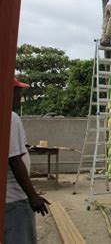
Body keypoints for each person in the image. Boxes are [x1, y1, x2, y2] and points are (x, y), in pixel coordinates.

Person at [4, 78, 50, 244]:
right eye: (17, 92)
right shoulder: (11, 117)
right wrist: (32, 196)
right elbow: (14, 160)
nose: (19, 97)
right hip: (15, 199)